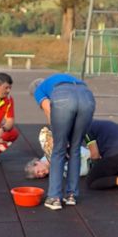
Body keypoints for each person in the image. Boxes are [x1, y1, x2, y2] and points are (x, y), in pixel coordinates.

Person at [30, 73, 95, 210]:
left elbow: (49, 109)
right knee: (75, 148)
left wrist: (58, 136)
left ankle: (54, 197)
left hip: (64, 99)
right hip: (87, 97)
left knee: (58, 150)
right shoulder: (58, 79)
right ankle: (72, 195)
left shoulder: (38, 89)